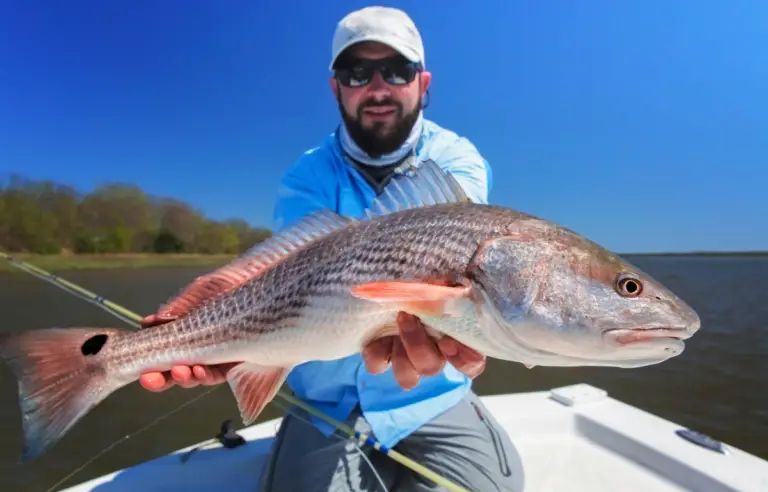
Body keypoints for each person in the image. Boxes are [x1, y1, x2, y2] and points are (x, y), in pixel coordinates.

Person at [139, 6, 518, 492]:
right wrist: (214, 320)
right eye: (356, 72)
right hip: (321, 401)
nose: (378, 87)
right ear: (335, 87)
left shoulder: (456, 159)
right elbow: (286, 278)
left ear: (423, 83)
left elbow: (461, 245)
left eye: (397, 70)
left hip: (430, 396)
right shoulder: (306, 174)